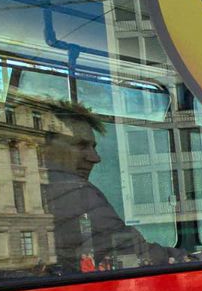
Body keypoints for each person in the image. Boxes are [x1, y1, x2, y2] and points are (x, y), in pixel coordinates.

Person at [43, 102, 179, 273]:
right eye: (81, 145)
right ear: (43, 147)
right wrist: (188, 259)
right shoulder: (73, 191)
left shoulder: (45, 188)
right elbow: (131, 252)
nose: (95, 158)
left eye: (93, 147)